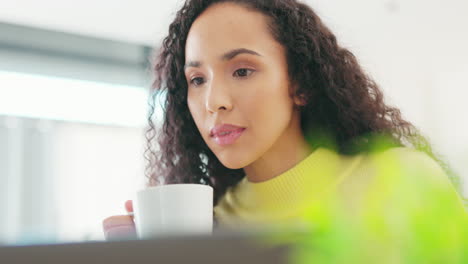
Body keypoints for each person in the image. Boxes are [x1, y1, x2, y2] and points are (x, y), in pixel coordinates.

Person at [103, 0, 466, 255]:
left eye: (242, 71)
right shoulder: (209, 226)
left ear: (301, 83)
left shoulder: (402, 179)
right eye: (197, 79)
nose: (214, 101)